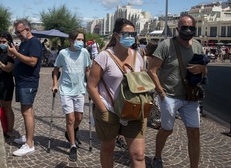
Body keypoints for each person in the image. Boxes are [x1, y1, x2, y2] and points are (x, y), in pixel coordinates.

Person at [148, 15, 207, 168]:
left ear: (195, 28)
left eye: (191, 28)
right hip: (170, 96)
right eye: (184, 27)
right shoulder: (166, 45)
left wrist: (203, 69)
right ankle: (158, 156)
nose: (188, 30)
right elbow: (152, 70)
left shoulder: (198, 46)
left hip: (190, 96)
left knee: (194, 133)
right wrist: (161, 93)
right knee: (167, 130)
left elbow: (203, 72)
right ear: (177, 29)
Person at [87, 18, 147, 168]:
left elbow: (144, 82)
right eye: (126, 33)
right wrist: (102, 109)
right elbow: (91, 86)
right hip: (110, 110)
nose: (130, 37)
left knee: (138, 154)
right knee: (108, 150)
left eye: (133, 34)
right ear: (116, 35)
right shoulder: (104, 57)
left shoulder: (137, 56)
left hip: (133, 111)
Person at [52, 30, 91, 162]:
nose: (80, 42)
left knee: (79, 117)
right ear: (71, 40)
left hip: (80, 89)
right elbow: (56, 69)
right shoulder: (63, 53)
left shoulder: (85, 52)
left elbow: (87, 70)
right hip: (66, 90)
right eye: (78, 39)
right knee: (70, 118)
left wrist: (91, 85)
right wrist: (55, 84)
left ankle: (71, 132)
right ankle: (72, 145)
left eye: (82, 40)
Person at [7, 18, 43, 157]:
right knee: (27, 111)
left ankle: (29, 144)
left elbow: (33, 61)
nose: (18, 34)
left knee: (26, 111)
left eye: (19, 32)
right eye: (16, 32)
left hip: (28, 82)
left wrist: (15, 53)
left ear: (27, 29)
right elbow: (22, 59)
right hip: (22, 82)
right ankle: (29, 137)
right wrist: (16, 54)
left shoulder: (34, 42)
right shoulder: (24, 43)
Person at [144, 41, 160, 129]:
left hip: (148, 80)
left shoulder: (147, 57)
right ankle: (155, 120)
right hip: (152, 80)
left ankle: (152, 118)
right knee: (154, 100)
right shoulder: (153, 58)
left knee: (151, 100)